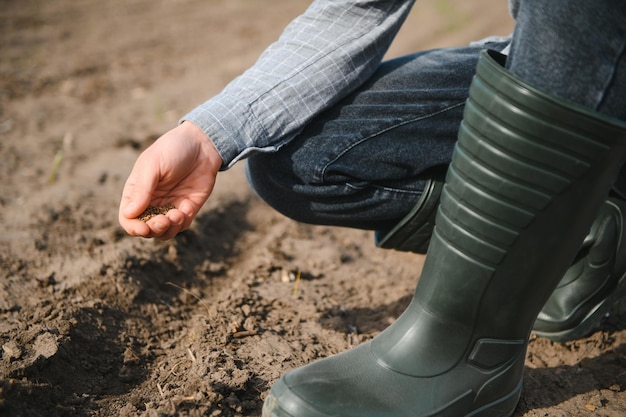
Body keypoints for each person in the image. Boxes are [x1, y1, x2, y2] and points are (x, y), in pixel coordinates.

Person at [119, 0, 626, 415]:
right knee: (300, 160)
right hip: (549, 63)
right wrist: (207, 137)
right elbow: (356, 8)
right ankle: (588, 227)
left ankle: (469, 354)